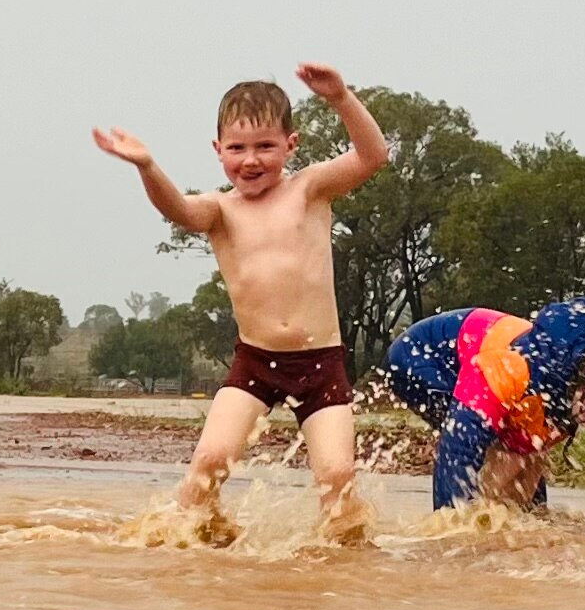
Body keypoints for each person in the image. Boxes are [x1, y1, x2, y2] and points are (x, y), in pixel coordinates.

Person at [92, 67, 390, 540]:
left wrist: (341, 98)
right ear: (218, 151)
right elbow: (179, 211)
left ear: (291, 145)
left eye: (265, 147)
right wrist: (147, 166)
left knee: (336, 477)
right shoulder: (220, 210)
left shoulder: (310, 190)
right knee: (207, 465)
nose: (250, 161)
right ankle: (202, 543)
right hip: (255, 363)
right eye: (237, 149)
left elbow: (373, 157)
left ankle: (340, 570)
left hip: (321, 364)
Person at [385, 300, 585, 510]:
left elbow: (530, 459)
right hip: (420, 357)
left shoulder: (571, 392)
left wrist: (537, 517)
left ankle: (501, 523)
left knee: (527, 455)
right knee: (498, 452)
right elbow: (457, 451)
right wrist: (451, 535)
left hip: (477, 354)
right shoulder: (515, 369)